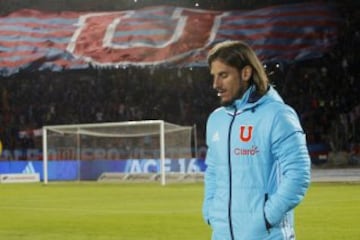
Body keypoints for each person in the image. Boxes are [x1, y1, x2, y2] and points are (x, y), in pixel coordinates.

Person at [202, 40, 311, 240]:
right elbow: (213, 171)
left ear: (246, 73)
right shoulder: (216, 120)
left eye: (223, 75)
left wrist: (266, 219)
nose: (215, 84)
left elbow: (298, 174)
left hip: (267, 235)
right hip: (222, 235)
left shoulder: (278, 115)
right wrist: (210, 211)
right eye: (214, 76)